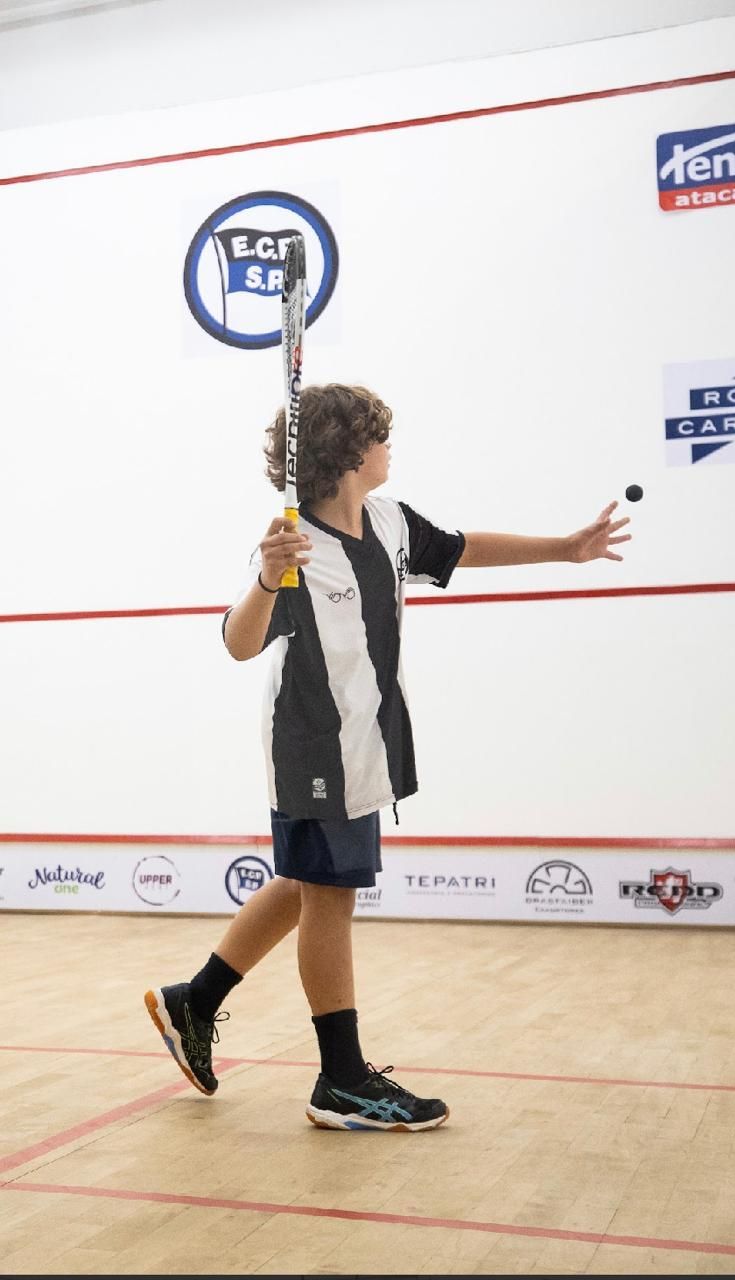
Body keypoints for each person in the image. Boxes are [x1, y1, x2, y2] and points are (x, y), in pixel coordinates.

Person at [144, 383, 631, 1131]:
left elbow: (462, 548)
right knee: (328, 894)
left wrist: (564, 549)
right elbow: (239, 643)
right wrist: (268, 577)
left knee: (308, 881)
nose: (389, 446)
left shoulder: (389, 521)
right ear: (349, 453)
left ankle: (195, 1001)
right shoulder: (294, 548)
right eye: (379, 435)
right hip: (314, 747)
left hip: (367, 744)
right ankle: (340, 1079)